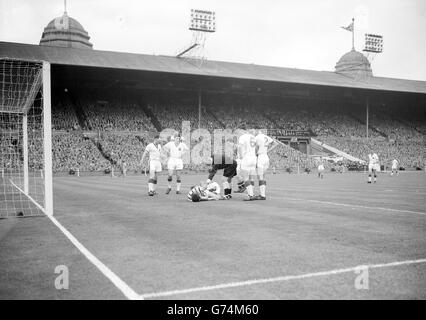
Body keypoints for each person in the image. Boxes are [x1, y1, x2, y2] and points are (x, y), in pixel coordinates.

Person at [254, 130, 276, 200]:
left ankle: (262, 195)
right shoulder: (266, 137)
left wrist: (255, 154)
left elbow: (256, 147)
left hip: (260, 157)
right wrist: (268, 150)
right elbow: (275, 143)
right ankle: (262, 194)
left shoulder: (257, 137)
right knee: (263, 176)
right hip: (266, 157)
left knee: (260, 177)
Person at [238, 127, 258, 201]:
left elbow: (239, 147)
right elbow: (256, 149)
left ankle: (250, 195)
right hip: (254, 158)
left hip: (247, 158)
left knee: (246, 178)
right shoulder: (254, 137)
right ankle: (252, 193)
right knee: (251, 178)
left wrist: (241, 156)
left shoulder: (243, 137)